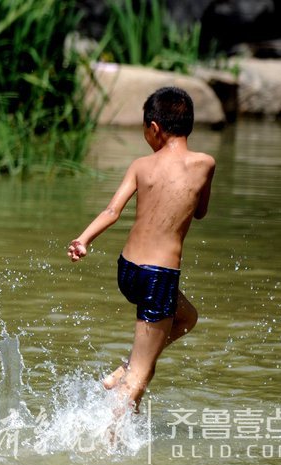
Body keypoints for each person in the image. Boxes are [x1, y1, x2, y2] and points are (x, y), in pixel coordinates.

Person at [67, 86, 215, 411]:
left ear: (154, 129)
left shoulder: (140, 165)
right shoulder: (205, 164)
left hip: (129, 270)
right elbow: (201, 212)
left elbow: (111, 211)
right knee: (142, 374)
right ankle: (106, 438)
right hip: (159, 275)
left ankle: (123, 370)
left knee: (187, 317)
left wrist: (83, 239)